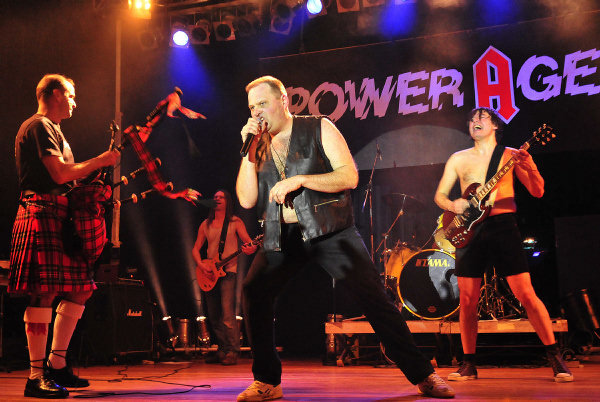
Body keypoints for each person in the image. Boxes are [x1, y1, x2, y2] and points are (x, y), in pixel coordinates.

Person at [235, 75, 455, 401]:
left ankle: (423, 374)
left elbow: (348, 176)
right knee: (255, 291)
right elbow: (246, 200)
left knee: (374, 299)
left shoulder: (318, 127)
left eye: (263, 104)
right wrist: (247, 153)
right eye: (252, 107)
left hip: (329, 229)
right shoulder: (258, 144)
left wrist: (301, 180)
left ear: (283, 101)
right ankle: (267, 381)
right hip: (282, 234)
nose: (257, 112)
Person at [434, 107, 573, 383]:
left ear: (495, 125)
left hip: (502, 225)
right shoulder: (458, 158)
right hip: (470, 229)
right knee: (467, 300)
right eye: (472, 119)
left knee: (526, 293)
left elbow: (538, 191)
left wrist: (530, 165)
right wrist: (453, 205)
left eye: (481, 118)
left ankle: (555, 358)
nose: (475, 121)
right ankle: (468, 364)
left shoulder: (511, 155)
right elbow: (440, 195)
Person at [8, 74, 120, 398]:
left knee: (81, 290)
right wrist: (100, 161)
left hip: (59, 215)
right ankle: (35, 377)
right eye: (70, 95)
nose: (74, 102)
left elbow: (67, 179)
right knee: (43, 293)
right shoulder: (39, 125)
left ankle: (56, 365)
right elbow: (58, 174)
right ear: (55, 94)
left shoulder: (55, 130)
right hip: (41, 212)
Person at [192, 190, 257, 365]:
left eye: (221, 197)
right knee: (214, 315)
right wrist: (202, 265)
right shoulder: (206, 224)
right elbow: (195, 249)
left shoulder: (235, 222)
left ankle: (233, 351)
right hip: (209, 273)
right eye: (215, 197)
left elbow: (249, 243)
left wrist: (251, 247)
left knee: (228, 314)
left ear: (228, 201)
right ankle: (222, 350)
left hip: (229, 272)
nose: (217, 199)